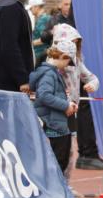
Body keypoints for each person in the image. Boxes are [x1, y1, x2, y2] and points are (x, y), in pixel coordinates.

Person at [52, 22, 102, 187]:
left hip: (71, 113)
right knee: (58, 150)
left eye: (75, 44)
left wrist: (91, 85)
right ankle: (57, 184)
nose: (72, 48)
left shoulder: (78, 63)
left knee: (70, 151)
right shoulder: (52, 66)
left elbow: (92, 77)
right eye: (68, 44)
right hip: (56, 112)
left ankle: (65, 184)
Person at [30, 40, 78, 173]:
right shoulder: (49, 74)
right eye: (69, 61)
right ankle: (55, 190)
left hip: (54, 121)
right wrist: (65, 105)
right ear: (64, 57)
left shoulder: (50, 73)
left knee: (59, 161)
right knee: (58, 161)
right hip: (53, 123)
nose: (68, 65)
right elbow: (44, 95)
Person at [29, 0, 50, 66]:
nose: (30, 10)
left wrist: (30, 44)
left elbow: (44, 39)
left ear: (36, 7)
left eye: (31, 8)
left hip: (41, 56)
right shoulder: (43, 19)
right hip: (40, 55)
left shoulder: (43, 20)